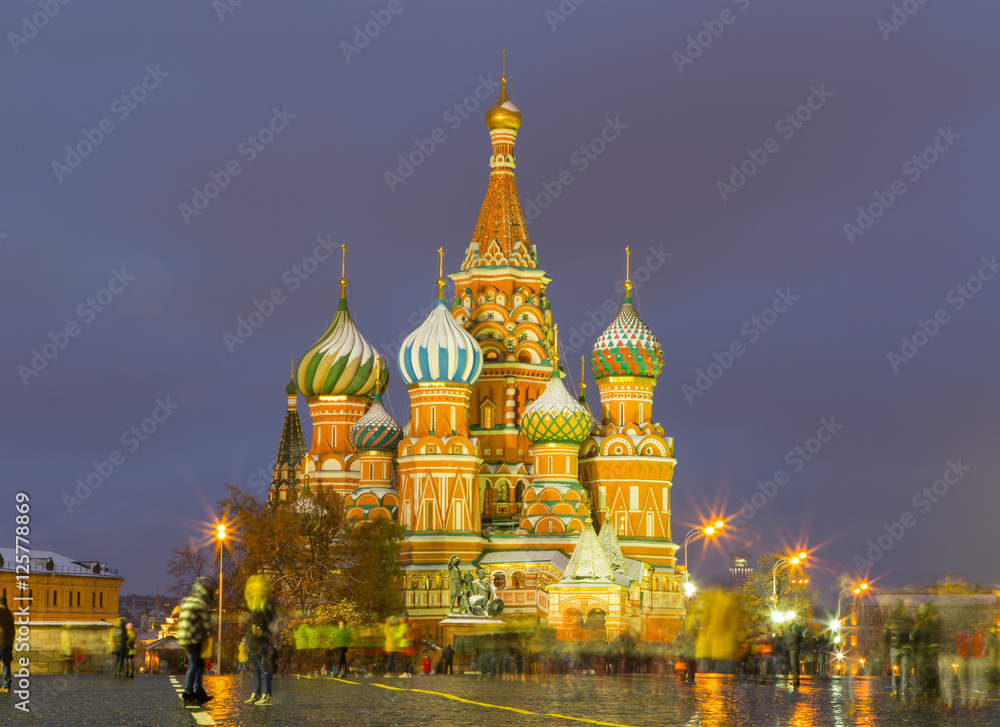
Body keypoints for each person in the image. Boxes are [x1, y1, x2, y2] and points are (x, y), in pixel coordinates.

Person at [177, 577, 213, 708]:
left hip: (185, 638)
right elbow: (205, 623)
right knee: (194, 664)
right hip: (195, 638)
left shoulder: (186, 601)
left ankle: (198, 690)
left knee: (197, 663)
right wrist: (209, 638)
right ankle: (188, 693)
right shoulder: (200, 603)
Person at [244, 574, 277, 706]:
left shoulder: (266, 603)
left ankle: (268, 694)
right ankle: (257, 693)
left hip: (263, 640)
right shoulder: (253, 604)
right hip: (254, 641)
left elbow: (270, 620)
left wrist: (261, 629)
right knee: (257, 668)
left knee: (265, 667)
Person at [910, 602, 941, 701]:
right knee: (933, 671)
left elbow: (913, 638)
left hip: (921, 652)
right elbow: (939, 636)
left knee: (921, 672)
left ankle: (924, 691)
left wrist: (914, 650)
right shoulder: (935, 623)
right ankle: (934, 690)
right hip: (933, 651)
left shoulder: (918, 623)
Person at [884, 599, 914, 698]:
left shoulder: (889, 620)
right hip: (905, 647)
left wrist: (887, 643)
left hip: (894, 647)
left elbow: (885, 633)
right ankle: (905, 690)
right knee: (905, 669)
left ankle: (895, 690)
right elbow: (912, 633)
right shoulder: (909, 619)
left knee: (894, 669)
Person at [782, 617, 805, 686]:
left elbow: (794, 636)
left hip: (793, 647)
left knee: (794, 664)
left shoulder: (795, 626)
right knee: (793, 664)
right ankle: (795, 679)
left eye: (788, 619)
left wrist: (789, 642)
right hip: (792, 647)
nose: (787, 620)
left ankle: (796, 680)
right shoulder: (792, 626)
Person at [0, 595, 14, 694]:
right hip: (8, 642)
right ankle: (7, 686)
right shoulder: (9, 613)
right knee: (6, 665)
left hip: (0, 641)